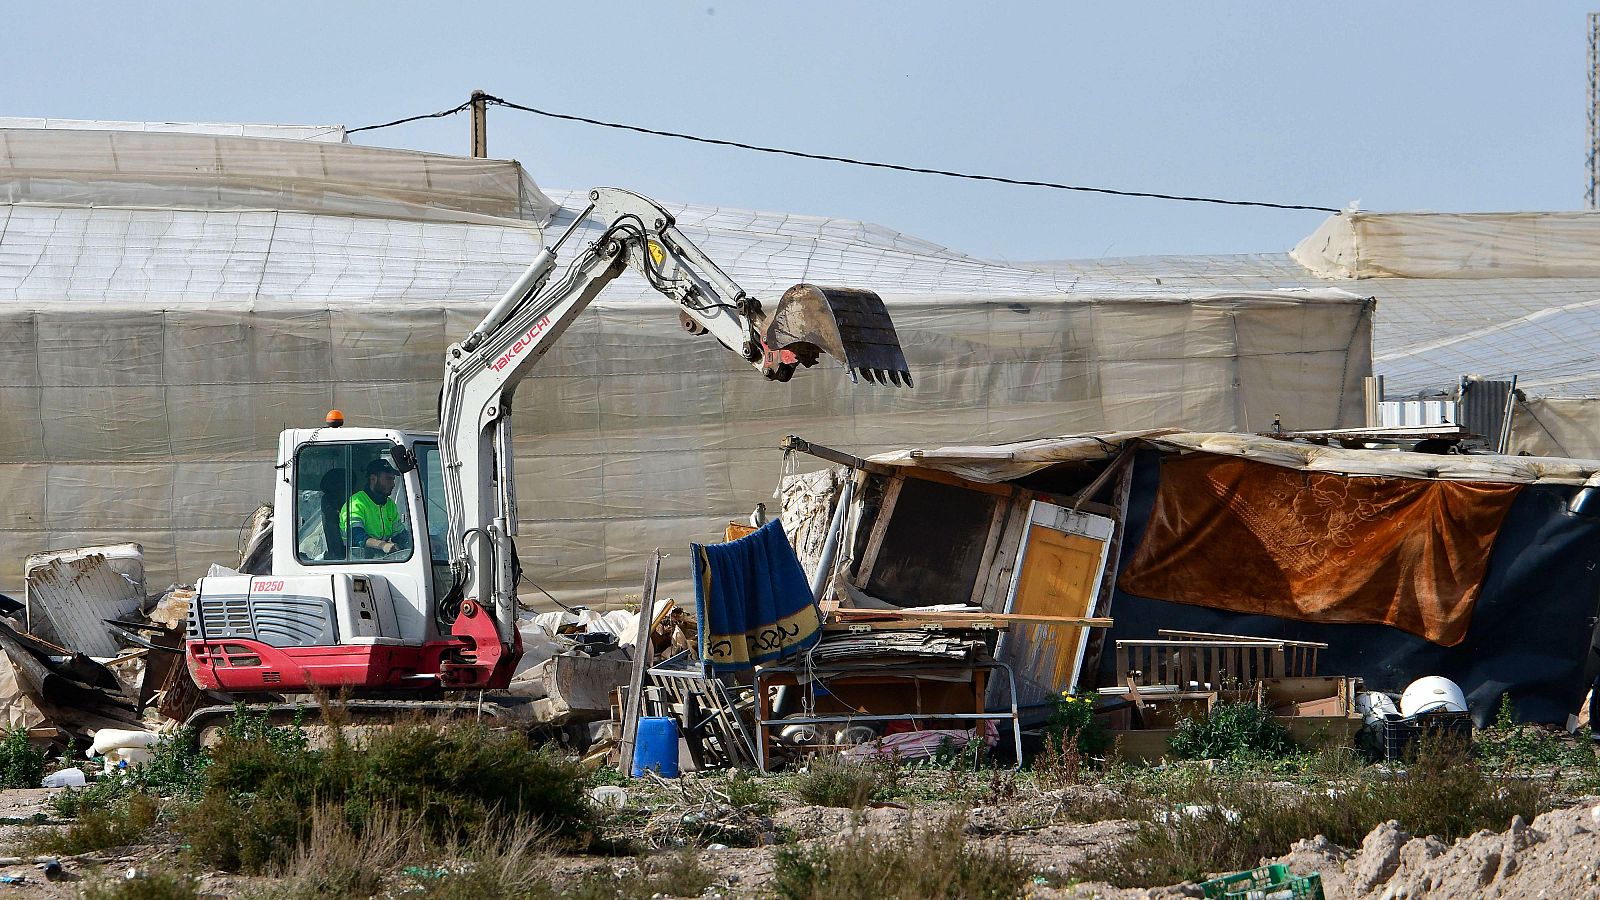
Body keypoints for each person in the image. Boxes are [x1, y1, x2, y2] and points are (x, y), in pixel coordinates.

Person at [340, 458, 410, 557]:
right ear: (373, 479)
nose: (393, 484)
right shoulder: (355, 503)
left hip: (380, 560)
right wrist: (382, 545)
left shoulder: (390, 504)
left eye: (393, 479)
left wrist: (424, 541)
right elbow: (355, 536)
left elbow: (400, 535)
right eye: (388, 479)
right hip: (356, 562)